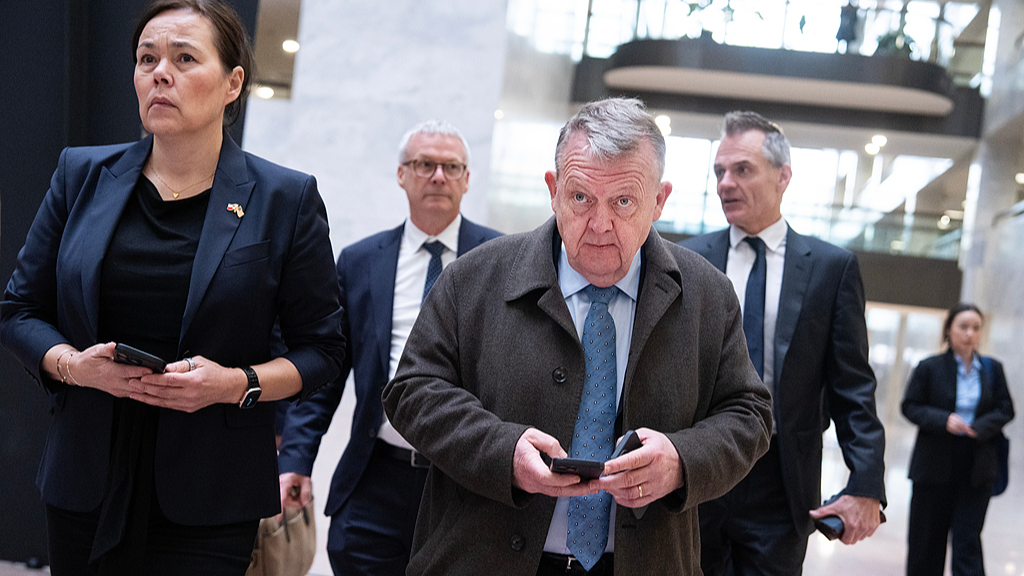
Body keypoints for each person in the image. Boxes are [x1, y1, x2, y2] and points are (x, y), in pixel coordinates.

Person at [0, 1, 344, 574]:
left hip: (211, 490)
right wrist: (72, 366)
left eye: (185, 58)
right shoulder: (81, 175)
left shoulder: (285, 198)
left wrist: (235, 384)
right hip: (86, 475)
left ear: (233, 83)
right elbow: (19, 310)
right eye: (147, 59)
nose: (161, 73)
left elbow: (323, 350)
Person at [382, 97, 773, 576]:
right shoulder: (474, 278)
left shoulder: (707, 294)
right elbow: (412, 391)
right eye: (581, 198)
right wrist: (504, 452)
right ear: (553, 190)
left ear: (658, 201)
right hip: (481, 556)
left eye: (623, 202)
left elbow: (749, 414)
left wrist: (681, 461)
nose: (600, 224)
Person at [276, 120, 501, 575]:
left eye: (451, 167)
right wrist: (296, 459)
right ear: (402, 174)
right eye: (424, 164)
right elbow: (326, 374)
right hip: (375, 476)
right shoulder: (361, 261)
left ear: (467, 180)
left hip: (461, 484)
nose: (438, 176)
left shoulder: (500, 259)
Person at [680, 111, 886, 576]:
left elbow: (853, 385)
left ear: (783, 177)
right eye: (719, 171)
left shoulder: (831, 269)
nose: (725, 183)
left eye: (742, 169)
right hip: (699, 470)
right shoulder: (688, 260)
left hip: (782, 479)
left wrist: (866, 482)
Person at [901, 303, 1014, 576]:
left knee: (967, 543)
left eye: (976, 328)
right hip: (933, 468)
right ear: (949, 330)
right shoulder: (929, 367)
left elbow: (1005, 409)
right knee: (926, 545)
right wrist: (944, 420)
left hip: (976, 469)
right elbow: (910, 406)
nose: (970, 334)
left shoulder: (992, 369)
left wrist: (981, 426)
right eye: (963, 327)